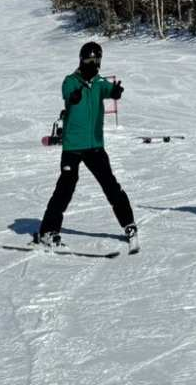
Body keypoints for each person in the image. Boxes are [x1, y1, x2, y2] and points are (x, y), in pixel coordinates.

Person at [35, 41, 137, 249]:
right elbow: (67, 93)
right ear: (82, 60)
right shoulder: (71, 81)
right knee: (65, 187)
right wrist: (73, 97)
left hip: (95, 146)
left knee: (110, 185)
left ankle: (129, 224)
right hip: (72, 146)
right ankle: (47, 231)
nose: (94, 63)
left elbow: (110, 90)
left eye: (97, 60)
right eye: (90, 59)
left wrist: (116, 92)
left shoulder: (99, 83)